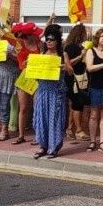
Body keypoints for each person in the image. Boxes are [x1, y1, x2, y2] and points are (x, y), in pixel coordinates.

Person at [33, 24, 68, 159]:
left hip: (56, 91)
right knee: (41, 118)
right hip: (42, 90)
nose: (48, 42)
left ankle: (53, 148)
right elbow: (36, 74)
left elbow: (70, 70)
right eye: (47, 39)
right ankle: (43, 146)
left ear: (57, 41)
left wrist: (64, 67)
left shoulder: (62, 54)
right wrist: (29, 67)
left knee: (54, 119)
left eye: (52, 39)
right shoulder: (42, 54)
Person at [11, 22, 41, 145]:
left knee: (36, 107)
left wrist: (50, 19)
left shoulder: (41, 44)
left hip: (37, 77)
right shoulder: (20, 44)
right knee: (23, 108)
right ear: (29, 35)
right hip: (24, 77)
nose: (37, 35)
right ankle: (21, 135)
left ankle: (37, 135)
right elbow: (20, 62)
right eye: (35, 33)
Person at [63, 23, 91, 142]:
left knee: (75, 104)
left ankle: (70, 129)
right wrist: (81, 56)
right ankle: (79, 130)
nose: (86, 34)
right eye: (85, 32)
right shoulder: (70, 47)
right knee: (77, 104)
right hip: (73, 79)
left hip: (81, 78)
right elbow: (68, 63)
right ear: (80, 34)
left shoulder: (81, 46)